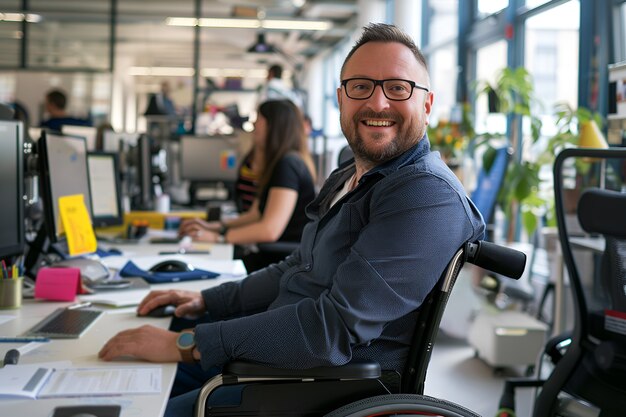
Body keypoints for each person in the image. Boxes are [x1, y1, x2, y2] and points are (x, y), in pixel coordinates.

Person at [98, 23, 485, 416]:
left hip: (307, 389)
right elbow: (299, 264)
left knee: (130, 407)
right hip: (272, 359)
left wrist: (191, 343)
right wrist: (205, 300)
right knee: (107, 377)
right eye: (361, 86)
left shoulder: (425, 196)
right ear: (341, 98)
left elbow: (331, 331)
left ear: (427, 103)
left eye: (398, 88)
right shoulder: (350, 175)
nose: (378, 103)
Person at [178, 99, 316, 272]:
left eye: (258, 119)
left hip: (281, 263)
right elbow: (256, 214)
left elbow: (269, 230)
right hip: (273, 257)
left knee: (203, 267)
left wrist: (219, 237)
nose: (254, 125)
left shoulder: (288, 165)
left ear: (273, 126)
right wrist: (216, 226)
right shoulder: (280, 163)